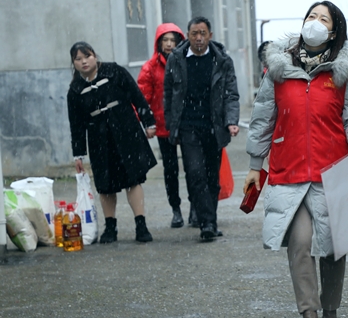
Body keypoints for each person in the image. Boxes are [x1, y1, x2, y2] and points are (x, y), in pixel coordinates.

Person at [244, 1, 348, 318]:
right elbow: (262, 119)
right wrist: (255, 165)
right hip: (290, 171)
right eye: (311, 16)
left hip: (333, 173)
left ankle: (330, 313)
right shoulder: (278, 69)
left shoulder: (342, 72)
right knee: (300, 243)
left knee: (332, 247)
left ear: (333, 31)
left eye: (323, 19)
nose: (315, 22)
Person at [67, 41, 157, 243]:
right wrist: (78, 154)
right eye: (78, 59)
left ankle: (141, 225)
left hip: (125, 130)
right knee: (105, 184)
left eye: (87, 56)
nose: (84, 62)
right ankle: (110, 227)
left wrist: (148, 122)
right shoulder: (75, 90)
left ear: (94, 55)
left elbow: (136, 95)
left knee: (133, 179)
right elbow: (76, 125)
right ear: (74, 63)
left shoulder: (114, 71)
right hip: (98, 139)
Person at [163, 16, 240, 241]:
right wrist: (171, 125)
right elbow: (168, 94)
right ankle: (207, 223)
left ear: (210, 36)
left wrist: (231, 120)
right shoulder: (176, 59)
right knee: (195, 173)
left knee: (211, 177)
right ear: (187, 36)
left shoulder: (222, 60)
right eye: (194, 33)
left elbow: (231, 94)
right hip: (188, 126)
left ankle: (210, 221)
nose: (198, 38)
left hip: (213, 126)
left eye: (203, 33)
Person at [138, 23, 188, 228]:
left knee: (193, 168)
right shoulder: (150, 68)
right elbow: (143, 97)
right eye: (165, 40)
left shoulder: (187, 62)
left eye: (173, 40)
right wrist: (146, 122)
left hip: (186, 123)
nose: (169, 44)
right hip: (163, 125)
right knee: (170, 169)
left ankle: (196, 208)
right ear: (158, 43)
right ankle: (176, 209)